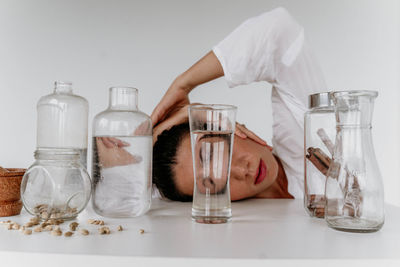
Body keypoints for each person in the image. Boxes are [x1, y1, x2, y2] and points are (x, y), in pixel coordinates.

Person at [152, 7, 327, 201]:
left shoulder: (304, 142)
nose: (240, 170)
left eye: (214, 153)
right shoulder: (236, 224)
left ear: (225, 125)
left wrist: (184, 85)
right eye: (211, 182)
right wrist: (154, 135)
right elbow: (124, 179)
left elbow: (280, 32)